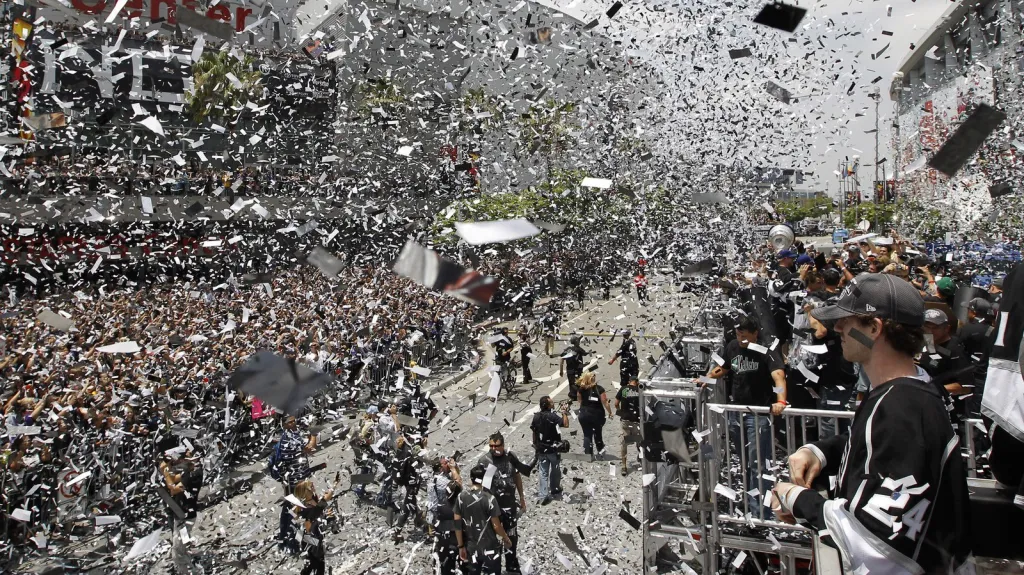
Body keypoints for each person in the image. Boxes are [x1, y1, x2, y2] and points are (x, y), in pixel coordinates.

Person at [773, 273, 973, 575]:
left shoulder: (903, 407)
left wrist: (795, 499)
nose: (837, 328)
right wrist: (820, 451)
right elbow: (881, 445)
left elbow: (877, 539)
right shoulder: (908, 388)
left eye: (847, 321)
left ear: (874, 328)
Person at [704, 315, 787, 517]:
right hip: (736, 414)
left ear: (755, 333)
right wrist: (706, 378)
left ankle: (761, 513)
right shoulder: (732, 347)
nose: (740, 336)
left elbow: (778, 375)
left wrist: (781, 401)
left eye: (744, 333)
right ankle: (752, 502)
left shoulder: (766, 350)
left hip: (758, 415)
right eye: (738, 332)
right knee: (745, 461)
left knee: (758, 462)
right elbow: (723, 367)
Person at [478, 433, 527, 574]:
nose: (493, 449)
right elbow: (480, 486)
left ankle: (512, 566)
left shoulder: (510, 457)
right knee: (495, 540)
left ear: (503, 445)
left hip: (510, 506)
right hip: (493, 509)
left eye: (496, 446)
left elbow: (517, 476)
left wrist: (521, 497)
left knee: (512, 537)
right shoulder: (485, 461)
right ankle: (495, 569)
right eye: (491, 446)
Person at [454, 465, 513, 575]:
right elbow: (496, 526)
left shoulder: (461, 497)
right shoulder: (490, 499)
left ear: (471, 478)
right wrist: (505, 537)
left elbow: (457, 524)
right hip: (490, 546)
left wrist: (460, 546)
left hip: (471, 546)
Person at [919, 308, 971, 421]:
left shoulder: (955, 350)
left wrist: (931, 390)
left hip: (948, 411)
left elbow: (966, 386)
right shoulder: (928, 341)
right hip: (926, 405)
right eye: (926, 326)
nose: (930, 331)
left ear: (946, 328)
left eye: (935, 327)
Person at [275, 415, 317, 553]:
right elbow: (310, 448)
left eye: (294, 420)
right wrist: (314, 432)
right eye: (290, 421)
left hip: (294, 480)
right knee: (296, 511)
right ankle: (293, 542)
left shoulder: (293, 434)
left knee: (290, 510)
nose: (294, 423)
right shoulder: (289, 439)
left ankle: (285, 539)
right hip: (296, 482)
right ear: (284, 424)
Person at [427, 456, 463, 575]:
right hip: (447, 519)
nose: (448, 463)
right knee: (451, 551)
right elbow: (458, 486)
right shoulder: (442, 481)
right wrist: (453, 469)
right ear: (441, 467)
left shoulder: (434, 479)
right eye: (445, 463)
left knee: (441, 551)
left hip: (439, 518)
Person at [531, 396, 569, 504]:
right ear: (548, 405)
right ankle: (554, 488)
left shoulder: (536, 417)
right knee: (555, 470)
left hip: (541, 449)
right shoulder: (553, 416)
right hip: (553, 449)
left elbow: (534, 432)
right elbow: (565, 424)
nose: (553, 403)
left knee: (543, 471)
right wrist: (564, 412)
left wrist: (535, 445)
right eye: (551, 402)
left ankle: (543, 494)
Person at [293, 479, 335, 575]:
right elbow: (309, 524)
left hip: (313, 538)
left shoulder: (312, 500)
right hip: (310, 539)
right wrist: (325, 516)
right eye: (311, 486)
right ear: (305, 491)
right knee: (318, 563)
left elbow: (324, 500)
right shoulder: (306, 508)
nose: (313, 487)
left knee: (313, 563)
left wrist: (335, 484)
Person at [576, 372, 613, 461]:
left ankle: (588, 455)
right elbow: (605, 401)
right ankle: (600, 453)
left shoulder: (581, 389)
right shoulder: (599, 389)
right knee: (598, 433)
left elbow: (579, 401)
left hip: (584, 414)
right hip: (597, 414)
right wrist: (610, 412)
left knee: (587, 434)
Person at [614, 376, 642, 475]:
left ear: (629, 382)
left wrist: (620, 412)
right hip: (637, 420)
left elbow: (616, 403)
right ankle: (642, 460)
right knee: (639, 441)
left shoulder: (623, 389)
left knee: (624, 443)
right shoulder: (640, 390)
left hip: (625, 420)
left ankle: (624, 466)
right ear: (637, 382)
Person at [560, 336, 587, 403]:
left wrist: (561, 370)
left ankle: (573, 395)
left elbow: (562, 359)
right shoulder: (578, 349)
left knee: (571, 383)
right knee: (578, 383)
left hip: (569, 370)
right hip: (577, 370)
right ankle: (578, 395)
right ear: (576, 341)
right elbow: (585, 353)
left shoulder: (567, 349)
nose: (579, 342)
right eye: (578, 340)